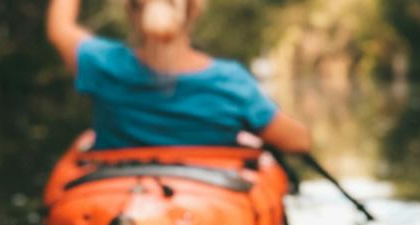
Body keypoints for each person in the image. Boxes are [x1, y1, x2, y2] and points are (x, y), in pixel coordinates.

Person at [46, 0, 311, 153]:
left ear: (131, 11)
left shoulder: (102, 64)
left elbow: (59, 27)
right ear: (194, 11)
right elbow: (298, 141)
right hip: (207, 203)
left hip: (111, 190)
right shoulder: (231, 83)